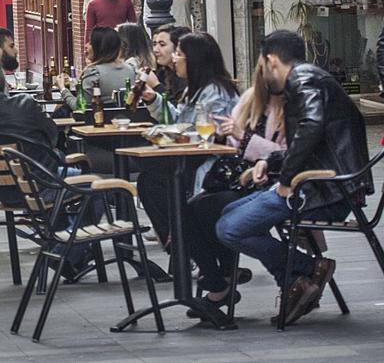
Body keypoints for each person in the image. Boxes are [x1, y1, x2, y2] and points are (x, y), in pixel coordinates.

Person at [215, 30, 370, 326]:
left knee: (229, 227)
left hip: (326, 190)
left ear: (271, 60)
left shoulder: (303, 78)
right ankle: (296, 280)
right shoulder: (308, 77)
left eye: (262, 64)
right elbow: (309, 138)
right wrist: (269, 162)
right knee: (229, 211)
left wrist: (285, 179)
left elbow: (311, 127)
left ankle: (306, 270)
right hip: (324, 185)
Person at [0, 57, 101, 274]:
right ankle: (65, 249)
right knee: (97, 187)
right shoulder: (24, 105)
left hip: (1, 190)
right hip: (41, 185)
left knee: (61, 193)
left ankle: (68, 258)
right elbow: (52, 136)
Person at [182, 60, 286, 314]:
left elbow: (285, 155)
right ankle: (221, 279)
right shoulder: (251, 98)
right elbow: (232, 142)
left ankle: (221, 283)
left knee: (203, 210)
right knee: (189, 210)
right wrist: (224, 133)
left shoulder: (290, 108)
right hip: (240, 179)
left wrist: (244, 137)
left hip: (271, 182)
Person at [136, 32, 239, 246]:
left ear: (193, 59)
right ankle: (178, 242)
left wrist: (176, 134)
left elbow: (211, 137)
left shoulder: (215, 92)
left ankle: (182, 243)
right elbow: (180, 123)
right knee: (149, 180)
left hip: (214, 167)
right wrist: (154, 100)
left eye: (179, 54)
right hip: (193, 162)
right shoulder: (195, 89)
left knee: (155, 182)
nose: (174, 58)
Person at [57, 26, 136, 110]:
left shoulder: (94, 72)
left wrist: (63, 89)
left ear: (99, 47)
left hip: (100, 120)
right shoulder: (131, 69)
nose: (86, 45)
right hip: (129, 119)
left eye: (90, 43)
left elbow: (81, 107)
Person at [147, 24, 191, 103]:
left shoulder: (187, 77)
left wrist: (156, 86)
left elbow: (178, 111)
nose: (155, 50)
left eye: (162, 45)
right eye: (154, 44)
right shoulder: (162, 73)